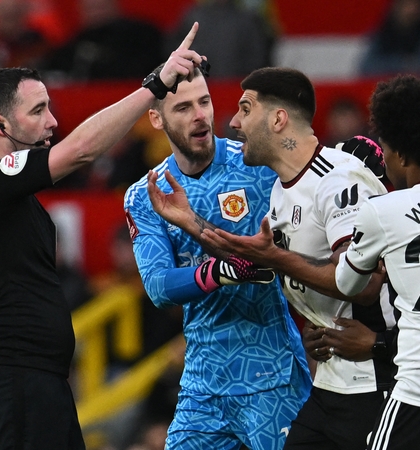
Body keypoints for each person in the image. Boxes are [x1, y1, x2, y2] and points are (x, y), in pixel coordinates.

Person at [203, 75, 420, 449]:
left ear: (400, 153)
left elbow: (356, 286)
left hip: (411, 387)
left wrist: (274, 258)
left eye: (385, 144)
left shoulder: (383, 208)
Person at [0, 23, 205, 450]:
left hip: (40, 387)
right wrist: (155, 86)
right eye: (38, 110)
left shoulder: (16, 201)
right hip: (15, 388)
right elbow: (82, 149)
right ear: (1, 125)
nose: (52, 121)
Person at [144, 66, 396, 450]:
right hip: (329, 379)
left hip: (370, 381)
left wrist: (379, 343)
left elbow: (361, 286)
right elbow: (257, 260)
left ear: (278, 119)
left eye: (244, 108)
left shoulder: (339, 179)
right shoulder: (280, 189)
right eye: (183, 107)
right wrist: (193, 224)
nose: (231, 120)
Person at [123, 65, 311, 448]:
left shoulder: (256, 165)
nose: (199, 116)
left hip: (272, 376)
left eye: (204, 102)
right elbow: (159, 287)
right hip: (202, 385)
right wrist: (221, 272)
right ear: (156, 119)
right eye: (183, 108)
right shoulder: (147, 194)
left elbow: (314, 167)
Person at [40, 0, 163, 82]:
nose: (95, 12)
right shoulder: (76, 41)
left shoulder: (141, 35)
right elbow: (51, 69)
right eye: (90, 8)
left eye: (100, 7)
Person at [164, 0, 275, 79]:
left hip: (237, 87)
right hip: (200, 85)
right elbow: (177, 50)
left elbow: (257, 57)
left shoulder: (248, 19)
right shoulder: (193, 16)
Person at [358, 0, 420, 78]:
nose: (410, 10)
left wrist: (388, 65)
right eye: (405, 5)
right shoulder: (383, 34)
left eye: (416, 5)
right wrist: (404, 63)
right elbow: (366, 67)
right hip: (387, 92)